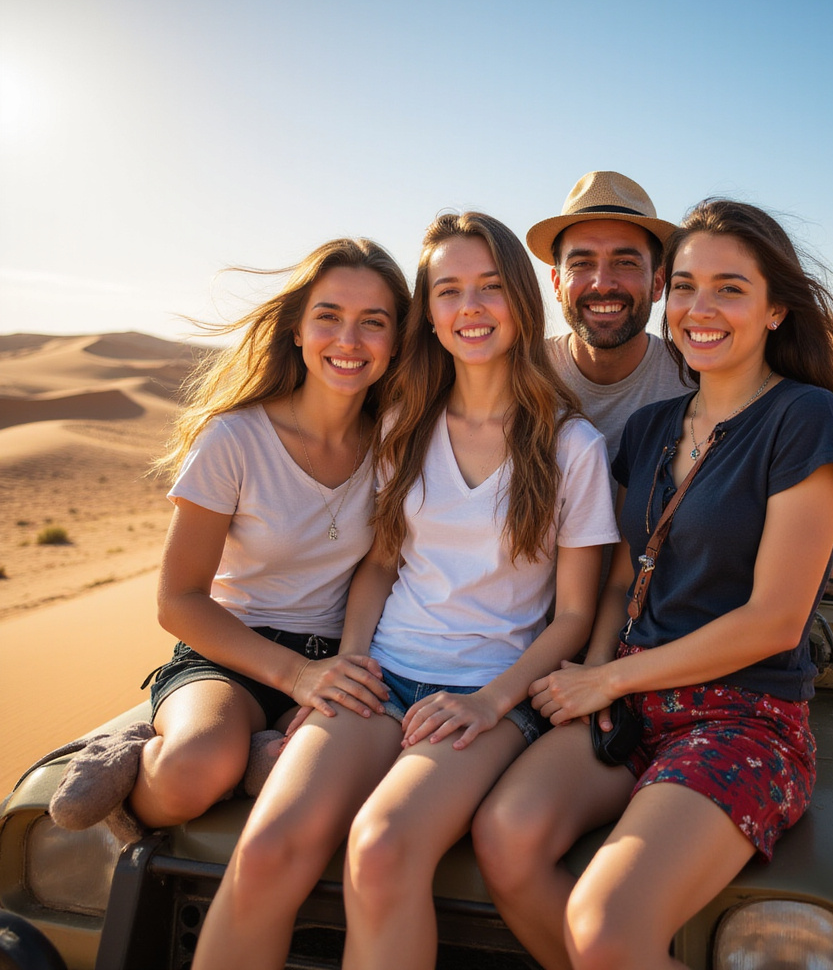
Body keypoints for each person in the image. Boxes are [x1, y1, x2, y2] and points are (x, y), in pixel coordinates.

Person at [189, 211, 619, 970]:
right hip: (383, 675)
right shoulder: (403, 423)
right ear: (430, 312)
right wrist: (344, 666)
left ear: (522, 299)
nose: (470, 308)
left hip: (485, 695)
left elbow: (577, 615)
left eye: (489, 287)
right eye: (448, 291)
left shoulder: (570, 445)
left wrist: (493, 701)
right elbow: (381, 566)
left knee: (382, 847)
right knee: (267, 848)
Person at [472, 199, 833, 970]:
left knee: (605, 923)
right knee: (504, 840)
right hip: (629, 706)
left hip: (742, 715)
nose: (701, 308)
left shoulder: (803, 419)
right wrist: (592, 668)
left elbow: (773, 622)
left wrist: (609, 678)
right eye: (686, 286)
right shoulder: (653, 426)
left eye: (729, 288)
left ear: (775, 308)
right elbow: (625, 570)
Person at [49, 238, 411, 843]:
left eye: (373, 323)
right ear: (297, 330)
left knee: (339, 788)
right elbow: (178, 600)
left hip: (340, 661)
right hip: (231, 655)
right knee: (195, 772)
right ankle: (138, 749)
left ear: (397, 340)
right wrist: (294, 676)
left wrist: (343, 662)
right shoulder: (235, 439)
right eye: (329, 317)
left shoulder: (395, 444)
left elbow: (379, 564)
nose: (348, 341)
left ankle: (256, 757)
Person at [527, 170, 685, 456]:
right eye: (582, 263)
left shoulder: (695, 383)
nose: (602, 284)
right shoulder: (524, 376)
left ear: (658, 282)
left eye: (625, 262)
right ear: (557, 283)